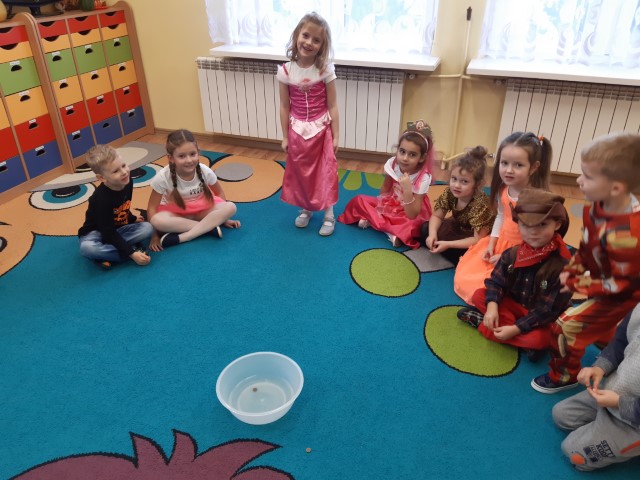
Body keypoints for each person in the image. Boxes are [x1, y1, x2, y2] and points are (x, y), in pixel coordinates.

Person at [532, 132, 640, 393]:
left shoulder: (627, 236)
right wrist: (575, 268)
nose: (579, 180)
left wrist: (581, 284)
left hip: (623, 294)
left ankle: (563, 376)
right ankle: (610, 344)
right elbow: (587, 245)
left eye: (587, 176)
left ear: (616, 188)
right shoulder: (599, 205)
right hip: (604, 280)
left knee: (565, 327)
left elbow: (621, 286)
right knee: (595, 323)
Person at [457, 188, 573, 360]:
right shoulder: (512, 253)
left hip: (539, 317)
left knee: (541, 339)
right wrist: (492, 308)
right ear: (517, 223)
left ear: (557, 224)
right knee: (479, 295)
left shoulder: (562, 266)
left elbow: (547, 310)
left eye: (542, 224)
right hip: (514, 306)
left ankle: (485, 326)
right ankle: (520, 341)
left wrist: (515, 329)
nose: (533, 232)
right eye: (525, 225)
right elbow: (495, 282)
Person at [453, 132, 552, 304]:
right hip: (501, 244)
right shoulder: (504, 190)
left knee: (492, 289)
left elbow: (537, 241)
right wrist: (491, 244)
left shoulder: (536, 199)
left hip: (523, 253)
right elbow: (501, 216)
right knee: (466, 277)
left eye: (518, 165)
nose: (509, 170)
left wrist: (508, 258)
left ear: (534, 167)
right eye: (504, 163)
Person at [551, 303, 640, 471]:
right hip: (613, 391)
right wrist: (600, 367)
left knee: (573, 453)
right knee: (561, 415)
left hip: (634, 423)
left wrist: (619, 403)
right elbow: (621, 341)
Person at [277, 12, 340, 236]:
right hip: (297, 131)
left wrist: (336, 135)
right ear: (297, 35)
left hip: (321, 130)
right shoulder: (285, 71)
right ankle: (306, 208)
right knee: (302, 172)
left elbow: (333, 105)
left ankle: (329, 214)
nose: (309, 42)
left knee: (325, 172)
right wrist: (285, 136)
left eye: (316, 40)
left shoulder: (324, 70)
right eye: (305, 35)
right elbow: (284, 106)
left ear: (322, 45)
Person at [338, 120, 434, 248]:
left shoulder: (423, 177)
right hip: (392, 202)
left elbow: (413, 214)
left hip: (410, 210)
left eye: (412, 155)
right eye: (402, 151)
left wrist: (407, 190)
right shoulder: (393, 164)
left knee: (415, 226)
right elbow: (385, 188)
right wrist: (382, 208)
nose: (405, 158)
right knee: (358, 200)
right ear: (397, 150)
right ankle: (390, 230)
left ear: (422, 158)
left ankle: (377, 223)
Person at [147, 129, 240, 250]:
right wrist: (154, 236)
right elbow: (152, 208)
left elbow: (220, 193)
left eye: (192, 154)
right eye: (181, 156)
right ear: (171, 158)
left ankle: (184, 237)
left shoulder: (205, 171)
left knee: (231, 207)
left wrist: (223, 219)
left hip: (202, 212)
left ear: (198, 152)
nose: (189, 160)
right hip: (177, 215)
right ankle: (208, 228)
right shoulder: (162, 177)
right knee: (157, 220)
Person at [78, 145, 152, 269]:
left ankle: (107, 255)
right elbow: (107, 231)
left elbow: (123, 205)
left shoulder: (127, 181)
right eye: (115, 171)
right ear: (102, 178)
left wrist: (132, 218)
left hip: (117, 228)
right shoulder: (101, 199)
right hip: (95, 232)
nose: (124, 172)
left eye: (123, 165)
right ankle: (126, 252)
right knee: (87, 248)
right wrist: (131, 253)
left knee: (147, 228)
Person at [420, 145, 494, 264]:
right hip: (457, 228)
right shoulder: (450, 192)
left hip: (475, 238)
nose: (456, 185)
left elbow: (478, 239)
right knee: (425, 229)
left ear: (478, 184)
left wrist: (448, 244)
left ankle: (448, 251)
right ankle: (443, 248)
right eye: (454, 179)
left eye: (464, 181)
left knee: (469, 255)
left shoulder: (481, 204)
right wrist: (432, 235)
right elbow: (437, 216)